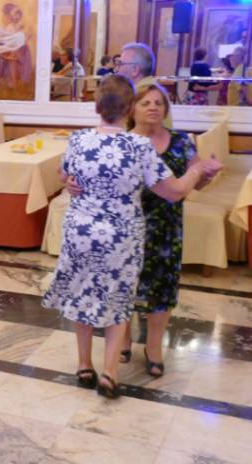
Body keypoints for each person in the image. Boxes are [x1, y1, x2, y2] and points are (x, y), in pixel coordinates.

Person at [42, 75, 221, 399]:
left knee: (82, 293)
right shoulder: (137, 146)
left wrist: (71, 180)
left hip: (80, 231)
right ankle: (110, 373)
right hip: (120, 236)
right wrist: (197, 170)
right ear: (128, 109)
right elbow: (174, 191)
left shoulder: (79, 139)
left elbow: (61, 172)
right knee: (118, 300)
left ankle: (84, 364)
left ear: (97, 106)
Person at [123, 83, 220, 376]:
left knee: (162, 288)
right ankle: (122, 339)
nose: (153, 107)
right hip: (128, 226)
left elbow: (197, 183)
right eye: (145, 103)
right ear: (132, 109)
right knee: (124, 285)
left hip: (166, 226)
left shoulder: (181, 141)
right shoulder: (122, 142)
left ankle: (154, 347)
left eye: (159, 103)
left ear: (166, 109)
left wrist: (208, 174)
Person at [115, 42, 172, 127]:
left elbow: (123, 132)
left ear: (135, 70)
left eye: (120, 64)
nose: (116, 69)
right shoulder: (157, 91)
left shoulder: (137, 96)